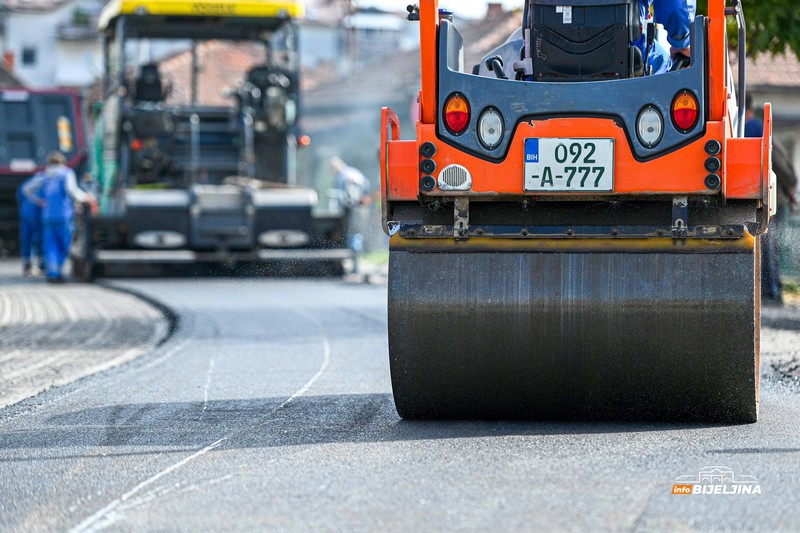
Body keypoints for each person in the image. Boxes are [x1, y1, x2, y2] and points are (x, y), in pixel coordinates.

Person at [744, 97, 799, 304]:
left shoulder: (743, 128)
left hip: (753, 197)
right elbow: (781, 163)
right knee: (769, 245)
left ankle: (766, 290)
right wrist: (791, 187)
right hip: (772, 196)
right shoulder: (758, 127)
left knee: (761, 243)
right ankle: (772, 290)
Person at [22, 152, 94, 283]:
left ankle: (52, 273)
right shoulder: (66, 173)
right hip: (63, 216)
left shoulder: (45, 175)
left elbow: (26, 189)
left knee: (50, 245)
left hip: (48, 216)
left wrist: (39, 201)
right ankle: (58, 271)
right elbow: (72, 191)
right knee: (64, 245)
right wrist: (86, 197)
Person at [635, 0, 696, 75]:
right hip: (629, 49)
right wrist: (683, 43)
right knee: (667, 70)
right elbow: (675, 7)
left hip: (622, 44)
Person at [16, 175, 45, 277]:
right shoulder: (45, 182)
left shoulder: (26, 185)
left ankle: (27, 267)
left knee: (27, 240)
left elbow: (19, 199)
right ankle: (42, 266)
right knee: (40, 240)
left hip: (26, 216)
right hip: (39, 216)